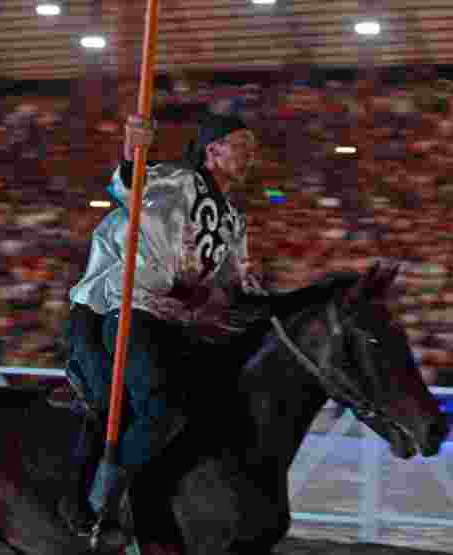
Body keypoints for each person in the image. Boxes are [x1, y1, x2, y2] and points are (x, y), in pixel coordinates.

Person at [61, 111, 273, 548]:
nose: (251, 153)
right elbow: (131, 183)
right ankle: (97, 499)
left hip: (176, 321)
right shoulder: (179, 182)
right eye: (242, 144)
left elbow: (235, 282)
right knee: (152, 405)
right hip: (124, 308)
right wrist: (134, 149)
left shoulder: (234, 220)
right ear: (213, 151)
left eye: (253, 146)